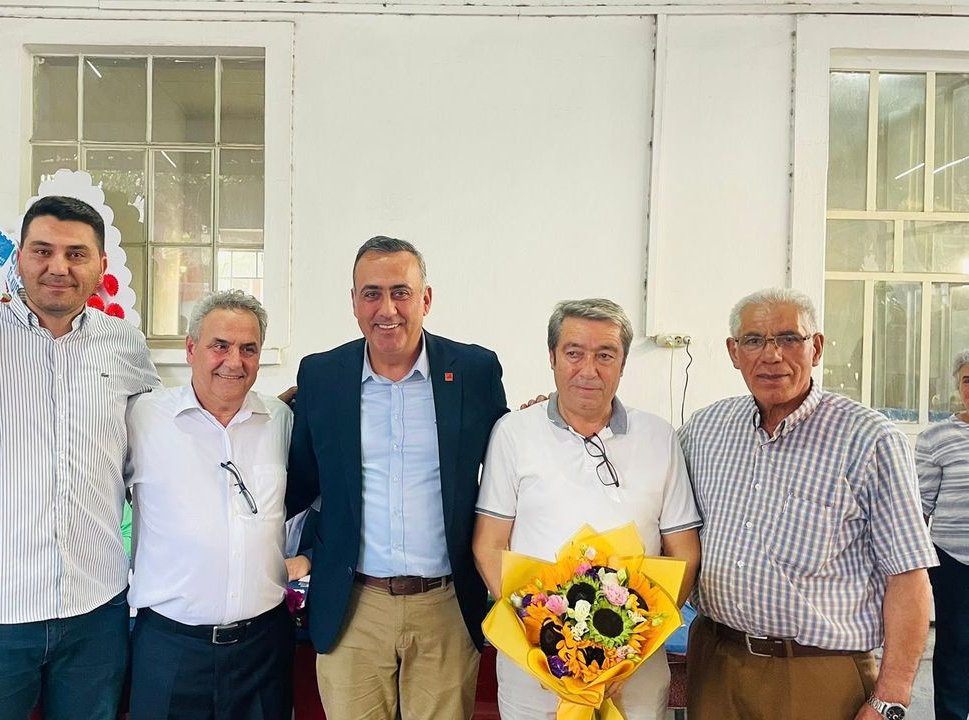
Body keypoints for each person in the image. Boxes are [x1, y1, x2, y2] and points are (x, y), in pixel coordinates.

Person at [0, 195, 159, 719]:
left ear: (101, 265)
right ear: (18, 258)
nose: (58, 267)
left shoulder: (124, 344)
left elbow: (156, 441)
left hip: (96, 606)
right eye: (42, 251)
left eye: (76, 254)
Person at [680, 287, 937, 720]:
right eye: (754, 340)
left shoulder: (869, 439)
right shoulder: (705, 430)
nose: (772, 355)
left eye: (788, 338)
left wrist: (891, 696)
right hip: (716, 664)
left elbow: (908, 577)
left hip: (817, 673)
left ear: (815, 347)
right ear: (733, 352)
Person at [285, 236, 509, 720]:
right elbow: (298, 482)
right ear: (354, 302)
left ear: (425, 299)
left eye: (400, 292)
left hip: (446, 605)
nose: (386, 309)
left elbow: (507, 466)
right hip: (353, 609)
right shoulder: (322, 376)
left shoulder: (474, 371)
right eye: (371, 293)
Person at [472, 298, 701, 720]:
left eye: (605, 355)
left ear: (623, 363)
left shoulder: (659, 437)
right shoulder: (513, 433)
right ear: (552, 358)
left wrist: (636, 644)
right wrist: (539, 636)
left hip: (633, 671)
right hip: (535, 668)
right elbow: (489, 544)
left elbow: (684, 550)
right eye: (574, 353)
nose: (588, 370)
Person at [125, 289, 300, 720]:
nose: (234, 361)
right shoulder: (141, 418)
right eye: (219, 346)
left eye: (248, 349)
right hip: (170, 649)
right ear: (191, 349)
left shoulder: (282, 421)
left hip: (263, 650)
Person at [915, 350, 969, 720]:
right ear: (957, 386)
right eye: (967, 380)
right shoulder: (937, 438)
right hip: (953, 562)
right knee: (955, 645)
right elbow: (920, 507)